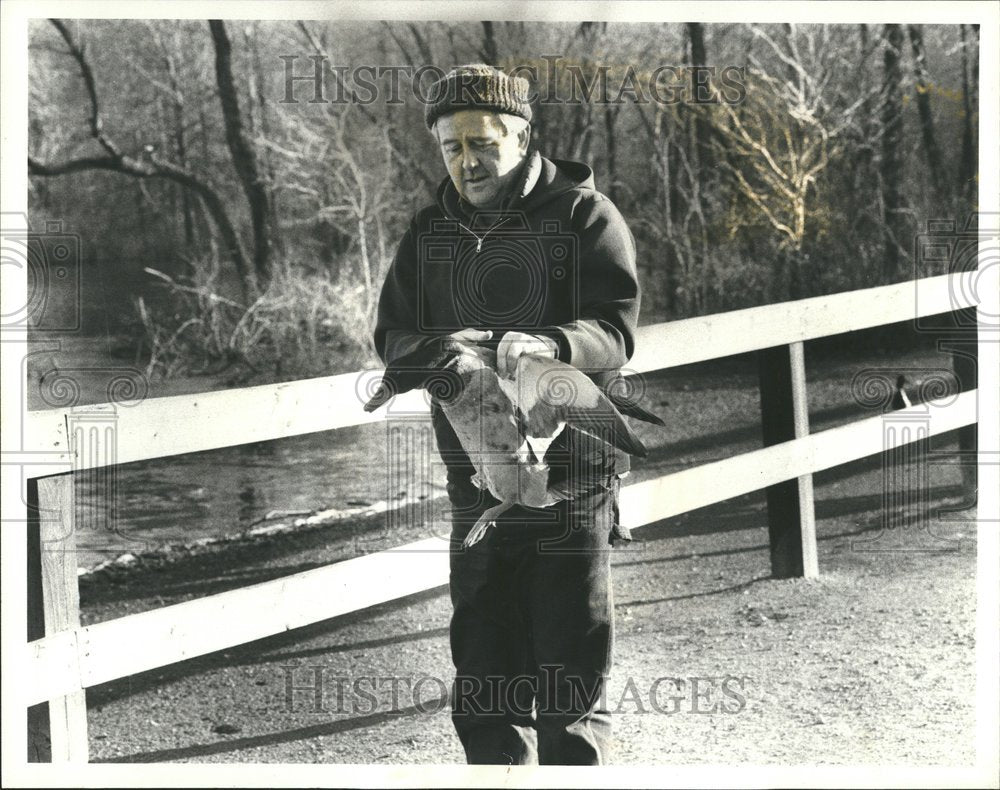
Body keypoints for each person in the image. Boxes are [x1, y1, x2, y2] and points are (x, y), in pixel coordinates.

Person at [372, 63, 640, 765]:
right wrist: (436, 358)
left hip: (573, 482)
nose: (467, 161)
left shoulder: (585, 215)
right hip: (477, 484)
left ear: (522, 138)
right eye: (451, 147)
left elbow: (615, 333)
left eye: (482, 142)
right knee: (485, 677)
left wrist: (555, 343)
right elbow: (392, 336)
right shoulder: (430, 233)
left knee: (569, 681)